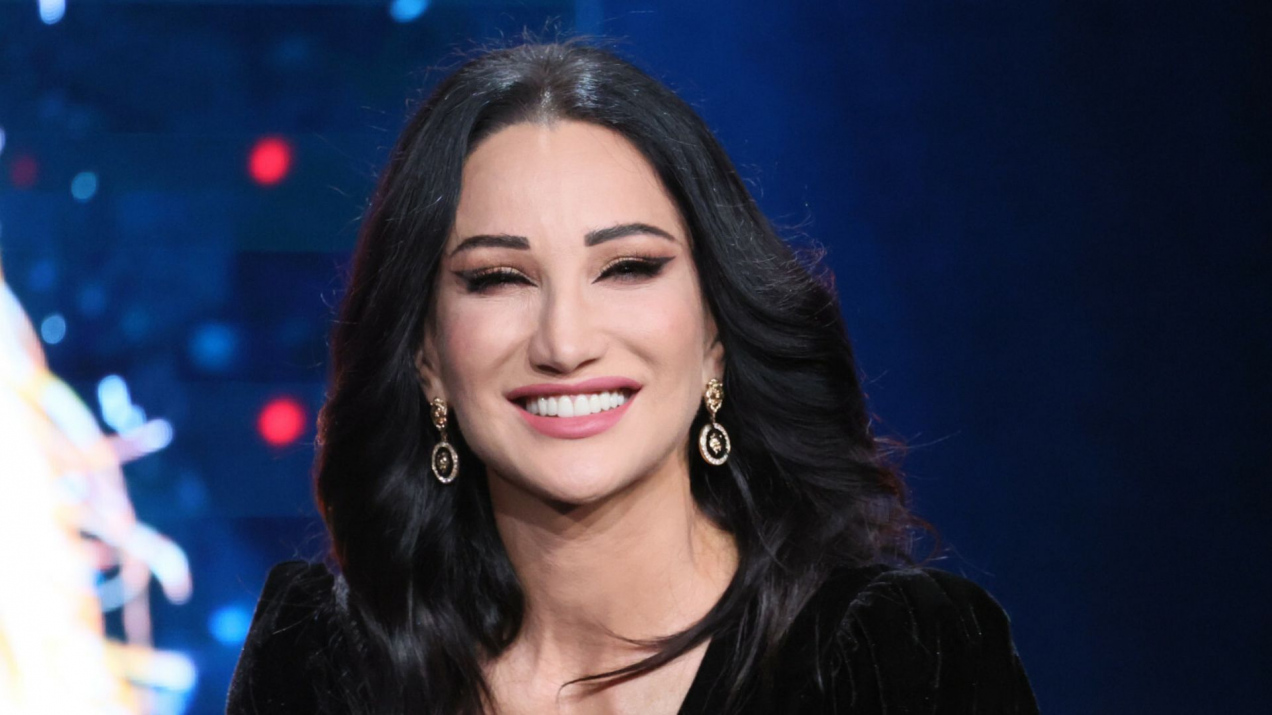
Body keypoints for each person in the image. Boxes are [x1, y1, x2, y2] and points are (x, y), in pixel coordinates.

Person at [226, 41, 1038, 715]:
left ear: (716, 334)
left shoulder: (896, 658)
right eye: (499, 278)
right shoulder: (327, 668)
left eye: (628, 267)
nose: (565, 342)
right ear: (427, 358)